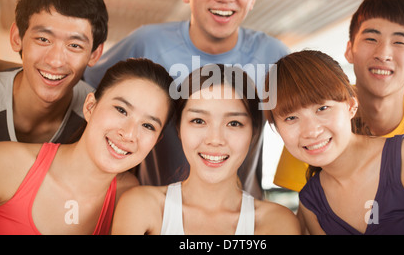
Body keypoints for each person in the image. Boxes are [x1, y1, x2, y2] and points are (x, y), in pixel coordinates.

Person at [83, 0, 289, 199]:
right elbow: (82, 94)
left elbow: (308, 122)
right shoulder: (147, 43)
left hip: (245, 218)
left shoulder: (274, 56)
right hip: (157, 214)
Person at [274, 0, 404, 192]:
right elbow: (301, 213)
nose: (383, 54)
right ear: (349, 50)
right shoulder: (313, 126)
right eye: (371, 39)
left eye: (399, 42)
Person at [265, 50, 404, 234]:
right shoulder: (310, 203)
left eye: (322, 108)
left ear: (352, 106)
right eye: (291, 118)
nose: (311, 131)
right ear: (278, 129)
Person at [111, 64, 300, 235]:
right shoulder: (141, 206)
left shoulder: (277, 223)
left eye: (234, 123)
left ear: (254, 132)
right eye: (198, 121)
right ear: (179, 128)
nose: (214, 140)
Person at [0, 58, 175, 235]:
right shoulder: (9, 164)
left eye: (148, 126)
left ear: (156, 141)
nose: (129, 134)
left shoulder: (132, 201)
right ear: (90, 107)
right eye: (121, 110)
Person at [0, 0, 107, 143]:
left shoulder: (97, 119)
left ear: (94, 54)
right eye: (43, 39)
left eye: (75, 45)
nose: (55, 61)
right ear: (16, 37)